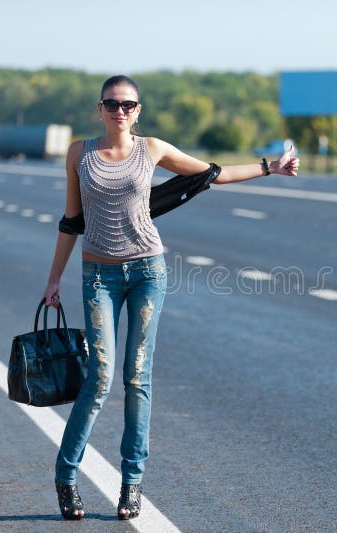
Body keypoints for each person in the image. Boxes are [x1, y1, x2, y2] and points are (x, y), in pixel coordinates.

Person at [42, 74, 299, 521]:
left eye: (128, 105)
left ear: (138, 110)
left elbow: (211, 174)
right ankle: (66, 476)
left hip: (147, 271)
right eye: (112, 103)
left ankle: (131, 484)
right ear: (98, 109)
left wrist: (268, 167)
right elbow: (70, 220)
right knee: (99, 379)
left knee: (137, 377)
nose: (120, 111)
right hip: (97, 275)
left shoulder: (153, 149)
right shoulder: (78, 153)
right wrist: (53, 281)